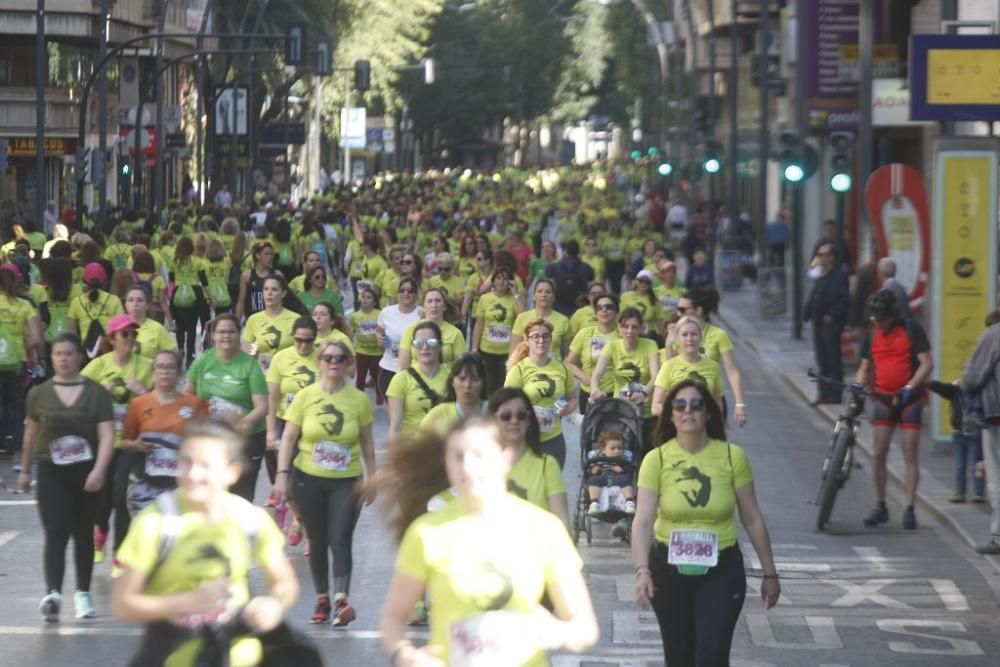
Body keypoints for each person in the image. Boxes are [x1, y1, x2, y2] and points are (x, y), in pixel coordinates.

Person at [379, 417, 598, 666]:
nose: (468, 466)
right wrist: (404, 653)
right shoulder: (427, 532)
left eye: (478, 455)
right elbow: (393, 617)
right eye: (458, 456)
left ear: (505, 459)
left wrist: (554, 632)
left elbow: (585, 629)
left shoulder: (543, 528)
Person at [112, 419, 299, 666]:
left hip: (237, 657)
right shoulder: (156, 522)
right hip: (172, 657)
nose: (192, 474)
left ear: (232, 472)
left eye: (205, 465)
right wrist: (188, 602)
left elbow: (285, 583)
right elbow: (123, 604)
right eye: (186, 462)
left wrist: (273, 605)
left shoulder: (250, 519)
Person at [632, 379, 780, 666]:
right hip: (669, 571)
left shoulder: (732, 456)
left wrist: (770, 574)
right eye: (680, 405)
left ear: (709, 413)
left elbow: (752, 517)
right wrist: (641, 571)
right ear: (671, 414)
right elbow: (642, 521)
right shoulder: (656, 460)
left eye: (697, 405)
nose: (688, 411)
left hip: (721, 569)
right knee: (679, 658)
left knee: (711, 655)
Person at [273, 340, 375, 627]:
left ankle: (342, 600)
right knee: (317, 540)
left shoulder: (358, 399)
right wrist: (282, 475)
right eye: (328, 357)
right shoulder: (305, 397)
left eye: (340, 358)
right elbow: (289, 438)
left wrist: (373, 478)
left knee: (340, 536)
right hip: (308, 479)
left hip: (347, 480)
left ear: (348, 364)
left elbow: (367, 441)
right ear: (320, 362)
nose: (334, 362)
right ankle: (322, 598)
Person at [19, 333, 115, 622]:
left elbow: (107, 434)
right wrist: (24, 470)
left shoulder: (96, 392)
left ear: (79, 357)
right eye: (58, 354)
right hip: (51, 471)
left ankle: (82, 594)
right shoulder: (39, 394)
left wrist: (99, 470)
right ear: (52, 358)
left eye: (69, 354)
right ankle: (53, 594)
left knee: (83, 533)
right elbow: (31, 434)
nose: (63, 359)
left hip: (87, 472)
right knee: (56, 531)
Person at [856, 288, 933, 530]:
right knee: (878, 454)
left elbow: (927, 363)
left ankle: (909, 508)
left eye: (882, 319)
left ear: (892, 314)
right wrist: (859, 385)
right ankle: (880, 505)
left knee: (910, 453)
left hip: (909, 399)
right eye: (875, 320)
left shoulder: (911, 329)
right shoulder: (872, 334)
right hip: (882, 398)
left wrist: (911, 386)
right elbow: (864, 367)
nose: (879, 323)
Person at [82, 314, 154, 569]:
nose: (131, 339)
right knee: (102, 497)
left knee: (122, 496)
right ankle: (100, 531)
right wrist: (101, 391)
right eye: (125, 334)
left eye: (134, 334)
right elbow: (77, 396)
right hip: (102, 443)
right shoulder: (98, 366)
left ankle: (119, 553)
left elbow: (159, 403)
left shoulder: (145, 365)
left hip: (131, 443)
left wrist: (143, 393)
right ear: (111, 339)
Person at [185, 313, 268, 502]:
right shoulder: (203, 361)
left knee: (241, 498)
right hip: (213, 438)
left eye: (231, 332)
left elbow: (262, 407)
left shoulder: (249, 366)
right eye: (221, 332)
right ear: (213, 335)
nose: (226, 336)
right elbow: (187, 396)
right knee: (213, 493)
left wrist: (242, 422)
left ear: (239, 335)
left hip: (246, 439)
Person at [119, 349, 208, 514]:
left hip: (181, 486)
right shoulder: (138, 404)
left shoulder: (195, 404)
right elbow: (125, 442)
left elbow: (206, 444)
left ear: (180, 374)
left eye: (170, 367)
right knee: (148, 534)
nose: (165, 372)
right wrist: (137, 446)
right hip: (145, 484)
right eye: (160, 367)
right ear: (152, 373)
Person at [489, 387, 569, 528]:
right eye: (506, 416)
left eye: (521, 415)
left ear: (529, 420)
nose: (514, 421)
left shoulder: (547, 465)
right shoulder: (477, 467)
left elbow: (561, 523)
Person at [505, 318, 577, 467]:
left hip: (553, 439)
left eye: (545, 336)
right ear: (527, 340)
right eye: (535, 336)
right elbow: (505, 405)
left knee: (552, 487)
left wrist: (567, 408)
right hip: (526, 439)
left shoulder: (562, 369)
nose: (541, 340)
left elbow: (573, 398)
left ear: (551, 340)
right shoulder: (518, 370)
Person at [265, 316, 320, 507]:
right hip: (285, 421)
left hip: (312, 425)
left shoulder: (323, 358)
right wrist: (271, 430)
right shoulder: (280, 358)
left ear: (315, 338)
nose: (303, 345)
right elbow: (272, 396)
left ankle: (302, 510)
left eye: (309, 340)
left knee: (306, 473)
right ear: (292, 337)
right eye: (298, 340)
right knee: (283, 468)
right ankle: (295, 511)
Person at [674, 287, 748, 427]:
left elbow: (732, 371)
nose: (678, 314)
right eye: (678, 309)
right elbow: (667, 366)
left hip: (712, 399)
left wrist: (739, 404)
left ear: (698, 310)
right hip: (682, 402)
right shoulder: (677, 333)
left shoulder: (719, 335)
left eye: (683, 310)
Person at [590, 308, 661, 449]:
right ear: (619, 328)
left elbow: (656, 376)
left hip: (646, 410)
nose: (630, 331)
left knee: (645, 452)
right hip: (621, 410)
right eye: (625, 326)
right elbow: (597, 373)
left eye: (634, 327)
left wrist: (644, 393)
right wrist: (595, 389)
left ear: (640, 328)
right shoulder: (612, 347)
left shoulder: (650, 345)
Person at [960, 311, 1000, 554]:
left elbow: (972, 379)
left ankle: (998, 535)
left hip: (997, 415)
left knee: (996, 475)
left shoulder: (993, 334)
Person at [0, 262, 42, 457]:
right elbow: (35, 338)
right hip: (17, 360)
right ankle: (14, 440)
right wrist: (35, 353)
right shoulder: (25, 305)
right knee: (15, 401)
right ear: (17, 280)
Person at [387, 320, 450, 443]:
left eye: (431, 342)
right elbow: (395, 427)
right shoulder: (401, 379)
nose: (424, 347)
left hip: (444, 449)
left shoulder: (452, 377)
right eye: (418, 343)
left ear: (440, 346)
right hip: (413, 451)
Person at [805, 241, 850, 404]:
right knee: (822, 360)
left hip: (830, 325)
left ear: (831, 257)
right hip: (818, 324)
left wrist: (832, 315)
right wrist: (807, 311)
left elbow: (843, 300)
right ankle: (823, 393)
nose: (818, 258)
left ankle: (835, 394)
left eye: (821, 255)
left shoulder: (839, 276)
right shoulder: (821, 274)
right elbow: (814, 294)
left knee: (833, 360)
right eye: (818, 254)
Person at [928, 379, 985, 504]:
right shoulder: (956, 390)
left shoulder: (979, 389)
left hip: (974, 432)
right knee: (961, 464)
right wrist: (928, 382)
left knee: (976, 464)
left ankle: (978, 493)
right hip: (958, 432)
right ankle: (960, 492)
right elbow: (941, 388)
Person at [653, 316, 724, 415]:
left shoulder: (713, 366)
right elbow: (655, 407)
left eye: (694, 334)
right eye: (684, 334)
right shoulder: (668, 366)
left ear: (701, 338)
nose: (689, 339)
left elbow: (718, 403)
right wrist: (680, 412)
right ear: (677, 338)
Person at [567, 292, 620, 416]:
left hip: (616, 393)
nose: (604, 310)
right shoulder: (584, 333)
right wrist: (583, 377)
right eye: (600, 307)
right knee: (589, 433)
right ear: (595, 312)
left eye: (609, 307)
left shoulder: (623, 334)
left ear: (617, 311)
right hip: (589, 393)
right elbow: (569, 363)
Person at [470, 267, 520, 394]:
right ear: (493, 282)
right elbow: (479, 324)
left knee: (505, 385)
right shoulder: (484, 299)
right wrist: (474, 348)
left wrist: (516, 294)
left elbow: (522, 317)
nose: (502, 282)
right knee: (489, 386)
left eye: (505, 278)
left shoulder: (514, 300)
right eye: (498, 278)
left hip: (507, 351)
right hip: (487, 350)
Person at [419, 353, 490, 435]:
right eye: (462, 379)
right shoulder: (437, 414)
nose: (468, 385)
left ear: (483, 382)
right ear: (452, 381)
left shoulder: (494, 411)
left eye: (475, 379)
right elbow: (419, 445)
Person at [242, 275, 300, 374]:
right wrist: (252, 352)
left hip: (288, 372)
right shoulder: (253, 319)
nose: (269, 293)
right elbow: (248, 353)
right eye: (266, 289)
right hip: (262, 373)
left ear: (283, 293)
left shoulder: (296, 319)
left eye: (274, 289)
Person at [376, 276, 422, 400]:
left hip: (413, 370)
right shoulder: (386, 312)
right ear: (398, 293)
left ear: (416, 294)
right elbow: (379, 331)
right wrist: (379, 339)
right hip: (389, 368)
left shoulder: (422, 314)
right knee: (393, 412)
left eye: (410, 290)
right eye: (402, 290)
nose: (406, 293)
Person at [398, 287, 467, 370]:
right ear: (423, 307)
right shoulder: (411, 329)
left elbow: (461, 368)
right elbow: (403, 367)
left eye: (437, 301)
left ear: (444, 306)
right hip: (415, 380)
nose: (434, 305)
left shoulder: (456, 333)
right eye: (429, 301)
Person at [67, 262, 123, 359]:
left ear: (84, 281)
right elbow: (120, 329)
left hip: (85, 353)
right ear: (105, 280)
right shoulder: (114, 300)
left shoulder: (76, 302)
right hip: (109, 351)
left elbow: (71, 332)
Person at [510, 279, 572, 360]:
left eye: (548, 292)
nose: (544, 295)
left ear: (553, 297)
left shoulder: (564, 321)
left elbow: (569, 355)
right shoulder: (522, 318)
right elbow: (513, 351)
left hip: (554, 370)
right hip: (528, 369)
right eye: (539, 291)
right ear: (533, 296)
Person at [585, 430, 635, 514]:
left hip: (618, 477)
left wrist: (622, 470)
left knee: (625, 480)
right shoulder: (596, 456)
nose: (617, 451)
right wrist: (594, 471)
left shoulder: (625, 457)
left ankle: (629, 502)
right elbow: (589, 471)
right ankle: (594, 503)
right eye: (613, 448)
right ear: (603, 449)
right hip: (601, 477)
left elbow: (630, 470)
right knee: (592, 480)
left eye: (619, 448)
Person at [123, 285, 176, 360]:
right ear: (125, 304)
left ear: (147, 305)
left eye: (140, 300)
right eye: (130, 300)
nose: (135, 304)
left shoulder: (157, 329)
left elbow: (173, 356)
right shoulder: (119, 327)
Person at [350, 285, 382, 403]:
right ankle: (359, 397)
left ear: (374, 302)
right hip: (361, 350)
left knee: (376, 375)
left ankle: (380, 394)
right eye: (363, 297)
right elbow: (352, 332)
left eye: (368, 298)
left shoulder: (380, 314)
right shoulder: (355, 316)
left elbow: (384, 330)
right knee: (361, 376)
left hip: (377, 351)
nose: (365, 300)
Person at [546, 238, 594, 316]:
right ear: (578, 251)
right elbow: (591, 278)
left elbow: (547, 272)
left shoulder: (556, 266)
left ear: (566, 251)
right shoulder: (586, 267)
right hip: (579, 303)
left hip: (559, 303)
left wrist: (559, 259)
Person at [235, 241, 281, 323]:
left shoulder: (277, 274)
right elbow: (241, 302)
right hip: (253, 321)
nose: (269, 257)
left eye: (271, 254)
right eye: (266, 254)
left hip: (272, 320)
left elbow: (284, 298)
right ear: (257, 256)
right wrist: (236, 322)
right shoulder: (247, 275)